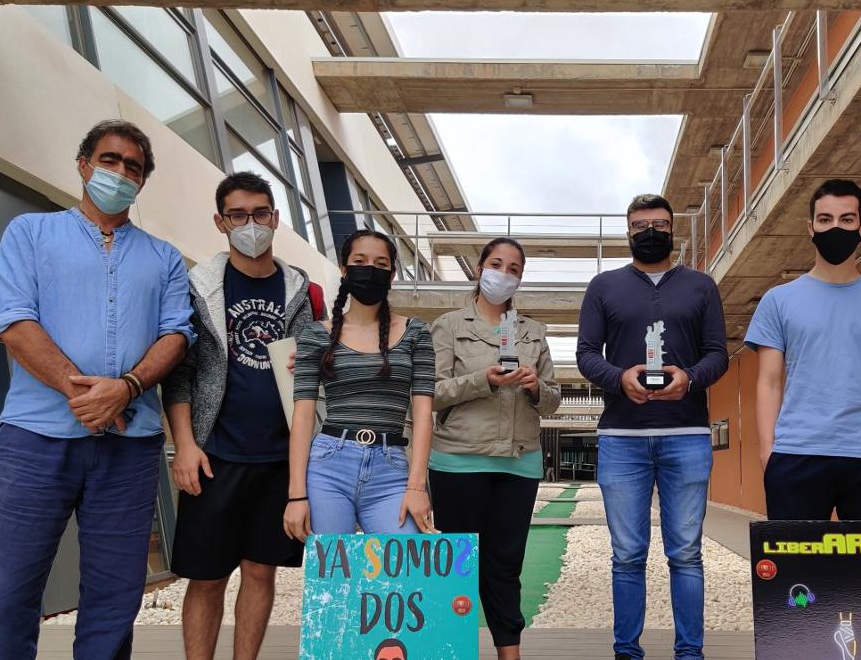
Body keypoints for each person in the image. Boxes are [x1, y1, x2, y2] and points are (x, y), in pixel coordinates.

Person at [0, 120, 195, 659]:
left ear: (142, 182)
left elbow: (176, 334)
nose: (120, 172)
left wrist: (127, 387)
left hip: (129, 449)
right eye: (109, 160)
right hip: (33, 441)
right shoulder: (30, 233)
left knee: (114, 601)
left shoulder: (164, 258)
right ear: (83, 164)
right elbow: (13, 321)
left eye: (133, 167)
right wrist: (91, 397)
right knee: (6, 594)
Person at [162, 171, 312, 660]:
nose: (252, 224)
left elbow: (311, 376)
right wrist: (185, 445)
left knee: (260, 571)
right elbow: (180, 373)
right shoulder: (199, 286)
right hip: (214, 456)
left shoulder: (299, 290)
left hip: (277, 458)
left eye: (260, 213)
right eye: (239, 215)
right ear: (220, 222)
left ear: (275, 217)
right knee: (206, 578)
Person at [576, 193, 729, 660]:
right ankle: (627, 651)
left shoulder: (701, 286)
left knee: (686, 554)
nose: (650, 232)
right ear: (627, 231)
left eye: (660, 224)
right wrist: (619, 379)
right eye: (640, 225)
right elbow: (586, 354)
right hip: (622, 438)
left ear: (673, 229)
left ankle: (690, 654)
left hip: (687, 434)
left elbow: (718, 354)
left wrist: (691, 378)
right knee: (627, 555)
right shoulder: (604, 286)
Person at [746, 179, 861, 525]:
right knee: (797, 563)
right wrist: (769, 456)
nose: (835, 227)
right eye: (825, 219)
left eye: (846, 219)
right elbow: (768, 383)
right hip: (796, 453)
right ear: (810, 227)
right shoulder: (777, 301)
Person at [429, 238, 561, 660]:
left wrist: (536, 387)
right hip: (457, 461)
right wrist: (482, 380)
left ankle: (510, 653)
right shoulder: (448, 325)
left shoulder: (533, 332)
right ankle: (451, 649)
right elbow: (431, 393)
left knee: (506, 565)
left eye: (514, 269)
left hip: (519, 463)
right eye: (496, 264)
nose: (504, 274)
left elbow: (553, 398)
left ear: (520, 279)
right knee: (456, 564)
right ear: (479, 269)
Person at [283, 230, 438, 540]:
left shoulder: (416, 332)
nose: (370, 269)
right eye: (360, 261)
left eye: (381, 264)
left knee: (405, 563)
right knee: (333, 570)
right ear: (344, 268)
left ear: (392, 275)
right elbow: (303, 416)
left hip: (390, 468)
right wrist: (296, 494)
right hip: (328, 466)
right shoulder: (316, 335)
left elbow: (424, 414)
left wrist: (417, 486)